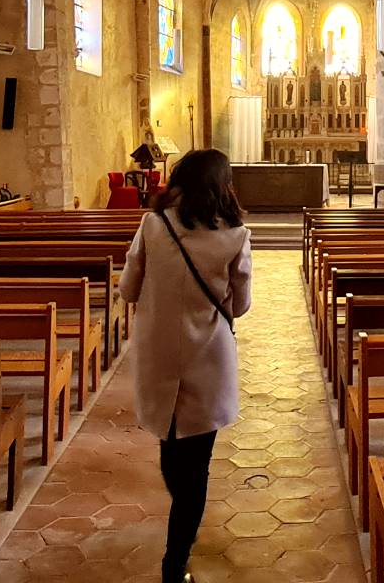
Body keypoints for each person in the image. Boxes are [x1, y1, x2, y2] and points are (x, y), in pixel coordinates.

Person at [119, 149, 252, 583]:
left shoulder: (153, 225)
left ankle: (177, 552)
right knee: (197, 463)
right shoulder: (235, 234)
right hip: (208, 358)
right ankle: (176, 557)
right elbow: (242, 303)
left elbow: (128, 288)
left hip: (158, 353)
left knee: (171, 448)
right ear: (222, 186)